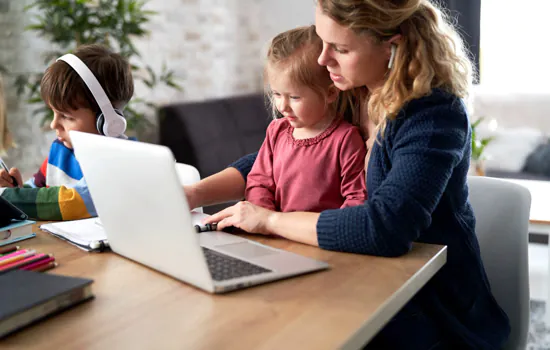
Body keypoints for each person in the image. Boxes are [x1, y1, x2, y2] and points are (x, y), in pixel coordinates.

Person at [185, 0, 510, 348]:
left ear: (392, 46)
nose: (323, 61)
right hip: (356, 275)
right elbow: (281, 157)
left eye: (340, 48)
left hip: (429, 306)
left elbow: (384, 228)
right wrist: (189, 194)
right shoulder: (352, 92)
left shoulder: (433, 115)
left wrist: (269, 220)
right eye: (322, 43)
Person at [0, 44, 134, 221]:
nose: (54, 124)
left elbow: (73, 202)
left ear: (108, 121)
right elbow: (39, 193)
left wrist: (7, 197)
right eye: (54, 113)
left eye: (66, 116)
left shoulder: (122, 159)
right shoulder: (59, 151)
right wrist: (16, 189)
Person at [247, 25, 366, 213]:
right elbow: (258, 183)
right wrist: (265, 219)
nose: (282, 106)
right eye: (277, 94)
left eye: (294, 97)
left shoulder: (345, 140)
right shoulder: (276, 131)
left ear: (330, 93)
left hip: (317, 238)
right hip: (275, 235)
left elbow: (357, 198)